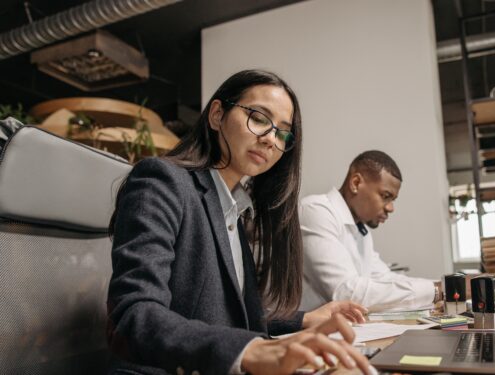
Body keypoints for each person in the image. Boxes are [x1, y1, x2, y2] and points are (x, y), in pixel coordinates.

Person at [106, 70, 376, 375]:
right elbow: (134, 315)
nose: (271, 139)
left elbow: (224, 315)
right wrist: (250, 350)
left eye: (283, 132)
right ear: (217, 115)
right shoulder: (162, 181)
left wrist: (303, 320)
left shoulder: (236, 207)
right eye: (259, 118)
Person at [300, 150, 443, 312]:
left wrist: (444, 286)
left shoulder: (361, 231)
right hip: (295, 333)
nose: (391, 208)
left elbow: (385, 278)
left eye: (393, 199)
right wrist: (439, 290)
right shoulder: (316, 211)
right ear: (355, 183)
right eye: (385, 196)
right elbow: (346, 293)